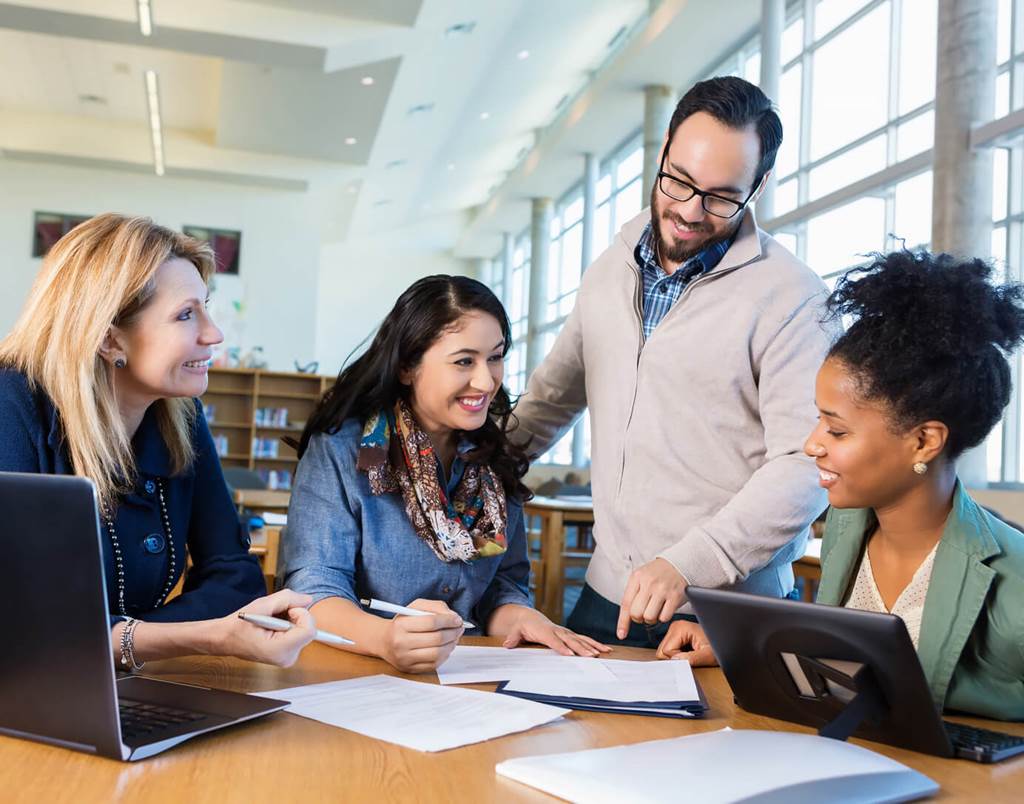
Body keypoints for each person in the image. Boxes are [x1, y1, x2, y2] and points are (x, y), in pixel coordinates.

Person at [512, 76, 834, 649]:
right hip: (605, 597)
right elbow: (551, 398)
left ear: (756, 187)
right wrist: (456, 462)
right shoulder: (611, 267)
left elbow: (805, 464)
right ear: (663, 147)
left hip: (725, 612)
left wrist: (691, 562)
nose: (689, 211)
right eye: (678, 181)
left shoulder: (793, 298)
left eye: (720, 196)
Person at [660, 250, 1024, 720]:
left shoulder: (1012, 583)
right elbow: (858, 663)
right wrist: (743, 647)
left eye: (836, 430)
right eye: (818, 421)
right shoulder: (850, 525)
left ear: (924, 441)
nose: (811, 445)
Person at [0, 213, 315, 670]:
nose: (214, 334)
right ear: (110, 340)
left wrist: (130, 638)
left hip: (107, 688)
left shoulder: (180, 414)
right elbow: (24, 623)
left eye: (205, 308)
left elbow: (235, 577)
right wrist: (201, 635)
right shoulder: (11, 407)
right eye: (186, 314)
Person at [280, 275, 609, 673]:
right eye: (464, 361)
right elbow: (314, 588)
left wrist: (522, 617)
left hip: (468, 678)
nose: (486, 381)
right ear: (406, 366)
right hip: (358, 673)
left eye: (495, 357)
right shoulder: (342, 451)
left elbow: (503, 587)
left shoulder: (495, 458)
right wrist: (384, 638)